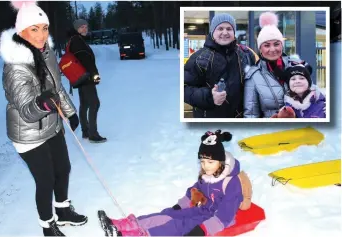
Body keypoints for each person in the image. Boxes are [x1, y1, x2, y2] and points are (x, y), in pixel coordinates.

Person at [0, 1, 87, 236]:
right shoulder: (15, 67)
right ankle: (47, 226)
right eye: (34, 29)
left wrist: (70, 111)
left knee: (63, 169)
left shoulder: (46, 53)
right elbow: (28, 110)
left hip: (51, 124)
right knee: (46, 180)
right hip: (28, 133)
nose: (41, 35)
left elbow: (57, 89)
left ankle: (64, 211)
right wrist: (42, 103)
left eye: (44, 28)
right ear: (21, 32)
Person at [99, 130, 246, 236]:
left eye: (210, 162)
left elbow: (225, 216)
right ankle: (120, 226)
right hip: (203, 210)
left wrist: (202, 230)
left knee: (176, 226)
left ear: (220, 162)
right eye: (202, 161)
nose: (205, 166)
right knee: (167, 214)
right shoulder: (207, 176)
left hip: (215, 219)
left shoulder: (231, 183)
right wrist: (180, 206)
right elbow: (194, 191)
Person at [184, 13, 258, 118]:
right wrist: (209, 96)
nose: (225, 32)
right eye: (220, 28)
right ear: (213, 31)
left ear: (234, 32)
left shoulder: (246, 55)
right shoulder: (198, 58)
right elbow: (184, 89)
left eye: (229, 28)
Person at [243, 11, 315, 118]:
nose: (272, 49)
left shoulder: (298, 67)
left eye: (276, 44)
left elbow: (313, 99)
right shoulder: (253, 76)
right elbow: (251, 115)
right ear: (260, 49)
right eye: (267, 45)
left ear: (282, 46)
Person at [66, 19, 107, 143]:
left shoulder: (74, 40)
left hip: (81, 78)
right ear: (76, 28)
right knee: (95, 103)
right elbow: (85, 61)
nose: (85, 29)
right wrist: (95, 75)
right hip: (86, 77)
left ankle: (85, 131)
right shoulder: (77, 41)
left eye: (86, 26)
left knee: (85, 104)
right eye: (82, 27)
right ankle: (93, 134)